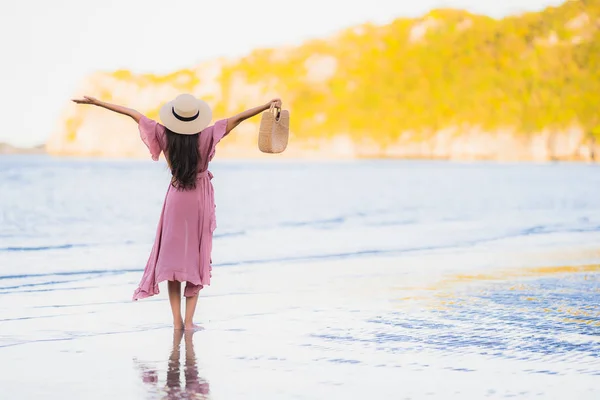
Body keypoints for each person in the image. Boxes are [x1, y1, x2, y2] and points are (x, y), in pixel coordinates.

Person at [73, 93, 282, 330]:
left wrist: (98, 103)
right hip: (199, 200)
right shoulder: (207, 134)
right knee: (195, 257)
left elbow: (133, 114)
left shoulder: (163, 134)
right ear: (196, 118)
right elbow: (239, 118)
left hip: (176, 199)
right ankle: (190, 322)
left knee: (173, 262)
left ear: (173, 117)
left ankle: (177, 322)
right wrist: (266, 105)